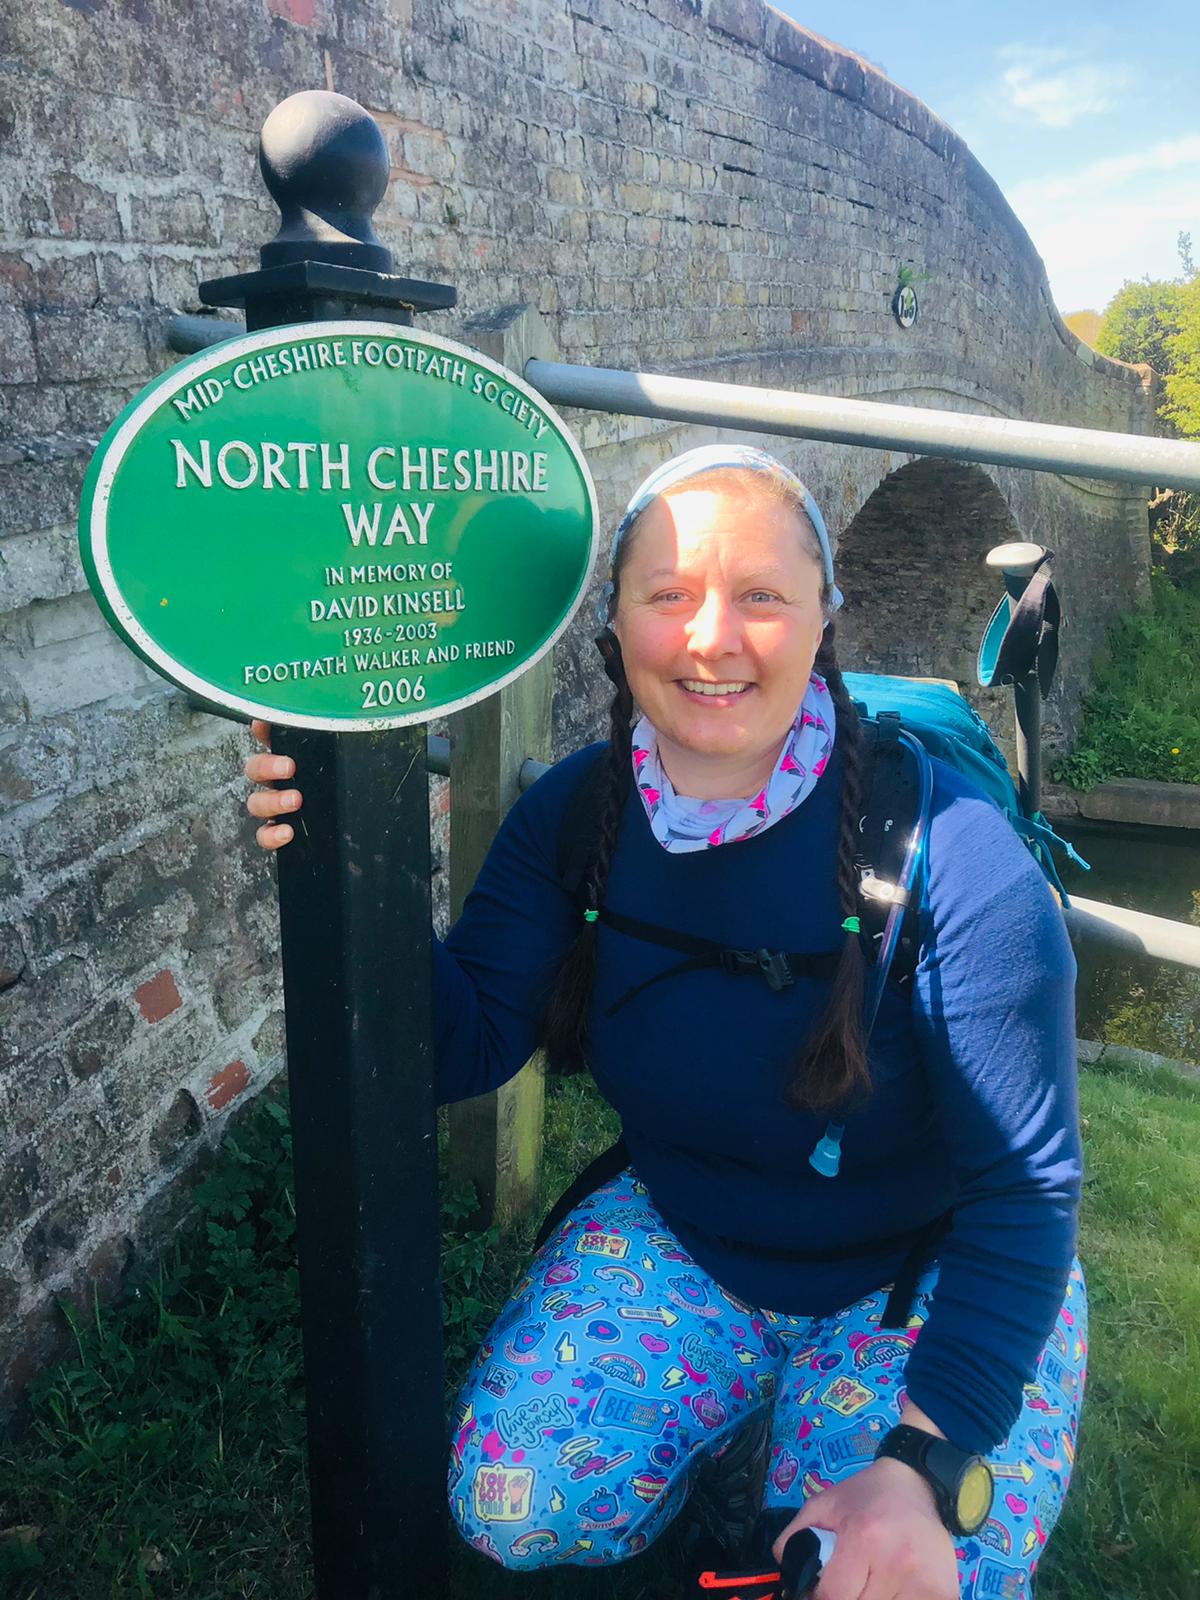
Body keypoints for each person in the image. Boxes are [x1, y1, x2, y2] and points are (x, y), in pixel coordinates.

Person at [245, 446, 1086, 1600]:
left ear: (823, 618)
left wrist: (925, 1461)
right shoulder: (578, 813)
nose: (710, 638)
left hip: (920, 1274)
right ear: (617, 622)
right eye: (669, 595)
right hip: (688, 1234)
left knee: (891, 1575)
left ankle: (790, 1471)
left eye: (760, 596)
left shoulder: (956, 856)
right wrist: (345, 856)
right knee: (513, 1501)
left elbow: (1027, 1191)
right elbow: (461, 1044)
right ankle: (722, 1492)